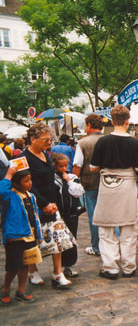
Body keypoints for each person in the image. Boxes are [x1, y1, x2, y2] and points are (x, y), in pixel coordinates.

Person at [90, 105, 138, 279]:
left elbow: (93, 167)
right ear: (127, 121)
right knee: (128, 227)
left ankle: (111, 267)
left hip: (107, 186)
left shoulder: (103, 141)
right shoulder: (135, 143)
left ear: (112, 121)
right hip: (127, 186)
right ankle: (129, 267)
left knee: (106, 229)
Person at [20, 122, 71, 288]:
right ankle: (32, 270)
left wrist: (54, 202)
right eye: (45, 140)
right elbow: (26, 184)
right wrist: (43, 203)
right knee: (33, 240)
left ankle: (57, 272)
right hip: (34, 204)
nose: (49, 143)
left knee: (58, 238)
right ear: (33, 139)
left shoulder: (46, 155)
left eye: (50, 140)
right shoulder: (24, 158)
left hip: (51, 203)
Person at [0, 167, 42, 305]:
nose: (30, 183)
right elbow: (2, 191)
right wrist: (9, 174)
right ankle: (5, 288)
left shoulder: (31, 197)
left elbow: (34, 216)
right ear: (16, 183)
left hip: (30, 235)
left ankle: (21, 290)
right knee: (13, 266)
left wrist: (38, 233)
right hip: (15, 237)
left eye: (30, 180)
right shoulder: (10, 196)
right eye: (26, 181)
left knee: (26, 265)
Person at [72, 114, 104, 257]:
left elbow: (77, 165)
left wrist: (73, 181)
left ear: (89, 125)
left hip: (90, 184)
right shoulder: (108, 140)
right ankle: (114, 245)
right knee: (111, 216)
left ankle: (96, 246)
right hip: (108, 183)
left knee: (94, 216)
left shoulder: (83, 143)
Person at [52, 153, 85, 278]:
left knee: (72, 239)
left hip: (71, 213)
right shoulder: (52, 179)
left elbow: (78, 192)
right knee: (59, 241)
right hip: (58, 214)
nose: (64, 168)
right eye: (61, 166)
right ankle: (58, 267)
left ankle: (69, 265)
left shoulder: (72, 177)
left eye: (66, 165)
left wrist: (67, 180)